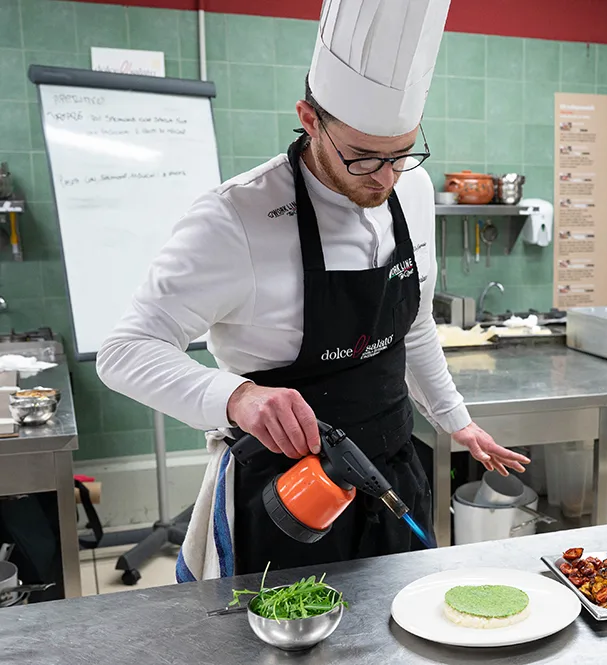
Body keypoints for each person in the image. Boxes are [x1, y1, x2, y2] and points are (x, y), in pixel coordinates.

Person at [96, 0, 528, 580]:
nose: (385, 178)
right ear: (309, 118)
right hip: (289, 495)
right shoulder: (235, 219)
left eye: (402, 154)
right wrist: (238, 397)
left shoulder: (414, 190)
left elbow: (414, 322)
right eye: (363, 157)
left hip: (393, 468)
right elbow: (124, 351)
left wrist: (456, 420)